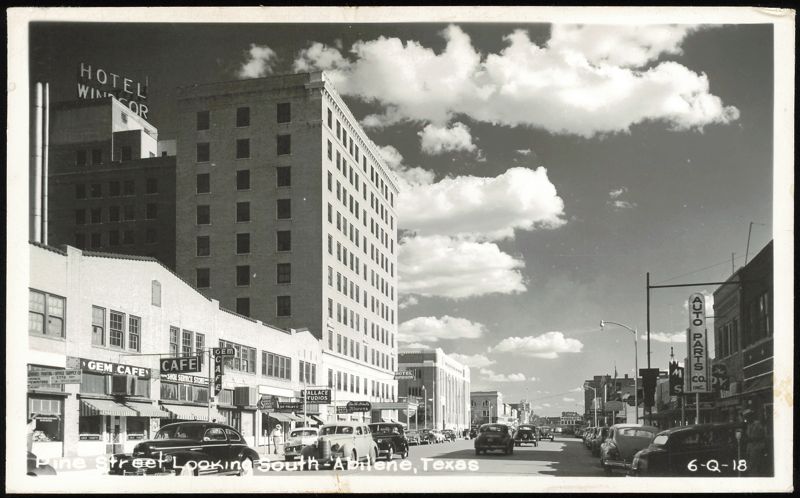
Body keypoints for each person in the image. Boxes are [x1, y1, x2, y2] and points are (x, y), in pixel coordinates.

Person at [743, 410, 766, 476]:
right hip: (750, 447)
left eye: (747, 417)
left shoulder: (757, 424)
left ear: (751, 417)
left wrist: (749, 439)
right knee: (750, 464)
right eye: (746, 417)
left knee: (755, 465)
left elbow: (760, 436)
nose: (746, 419)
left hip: (756, 447)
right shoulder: (748, 425)